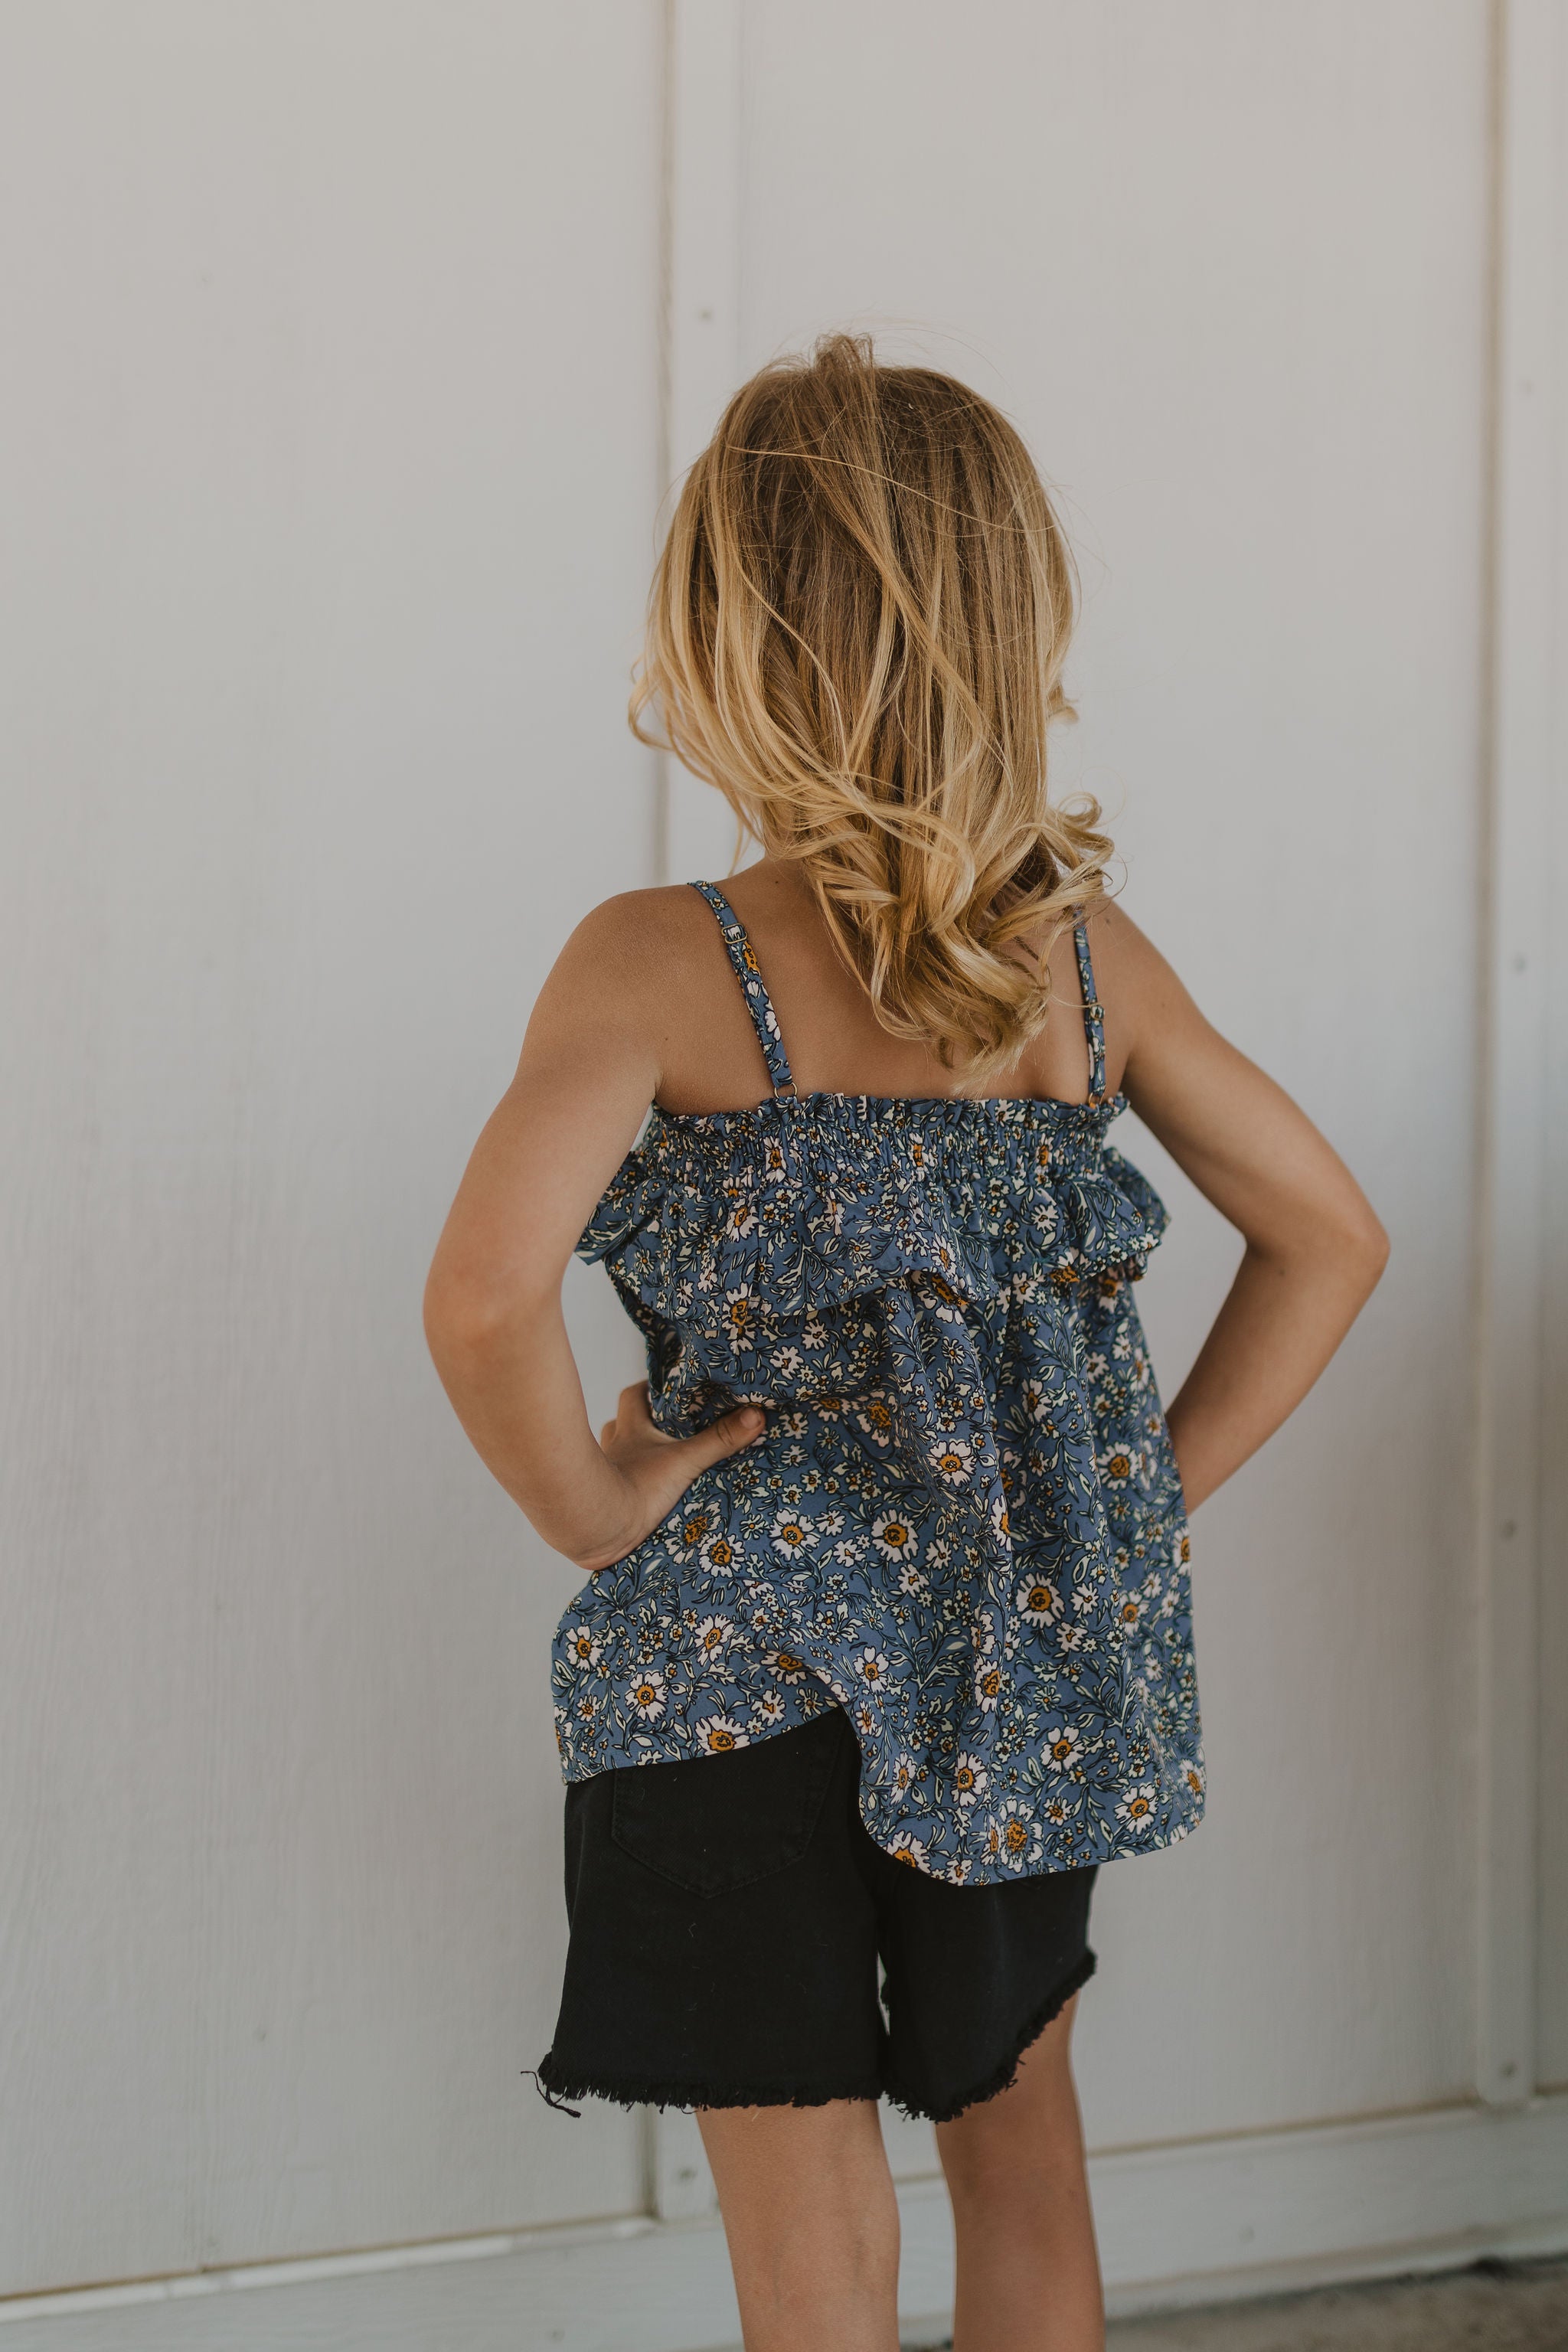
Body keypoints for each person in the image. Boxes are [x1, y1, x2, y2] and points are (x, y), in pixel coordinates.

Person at [423, 335, 1387, 2352]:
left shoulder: (660, 961)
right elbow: (1330, 1235)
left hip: (724, 1683)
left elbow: (486, 1295)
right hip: (1013, 1671)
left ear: (722, 645)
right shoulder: (1083, 971)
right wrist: (1120, 1508)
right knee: (1023, 2162)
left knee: (813, 2248)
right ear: (1015, 637)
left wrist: (593, 1508)